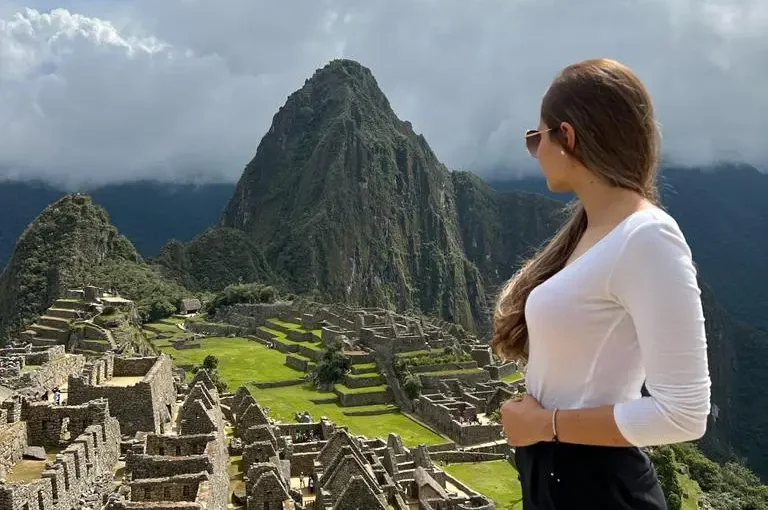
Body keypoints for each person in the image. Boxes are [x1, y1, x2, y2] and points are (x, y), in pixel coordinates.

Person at [493, 58, 711, 509]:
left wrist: (546, 425)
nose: (534, 151)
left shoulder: (648, 238)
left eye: (537, 138)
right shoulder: (588, 234)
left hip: (597, 488)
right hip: (556, 478)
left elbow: (685, 414)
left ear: (567, 137)